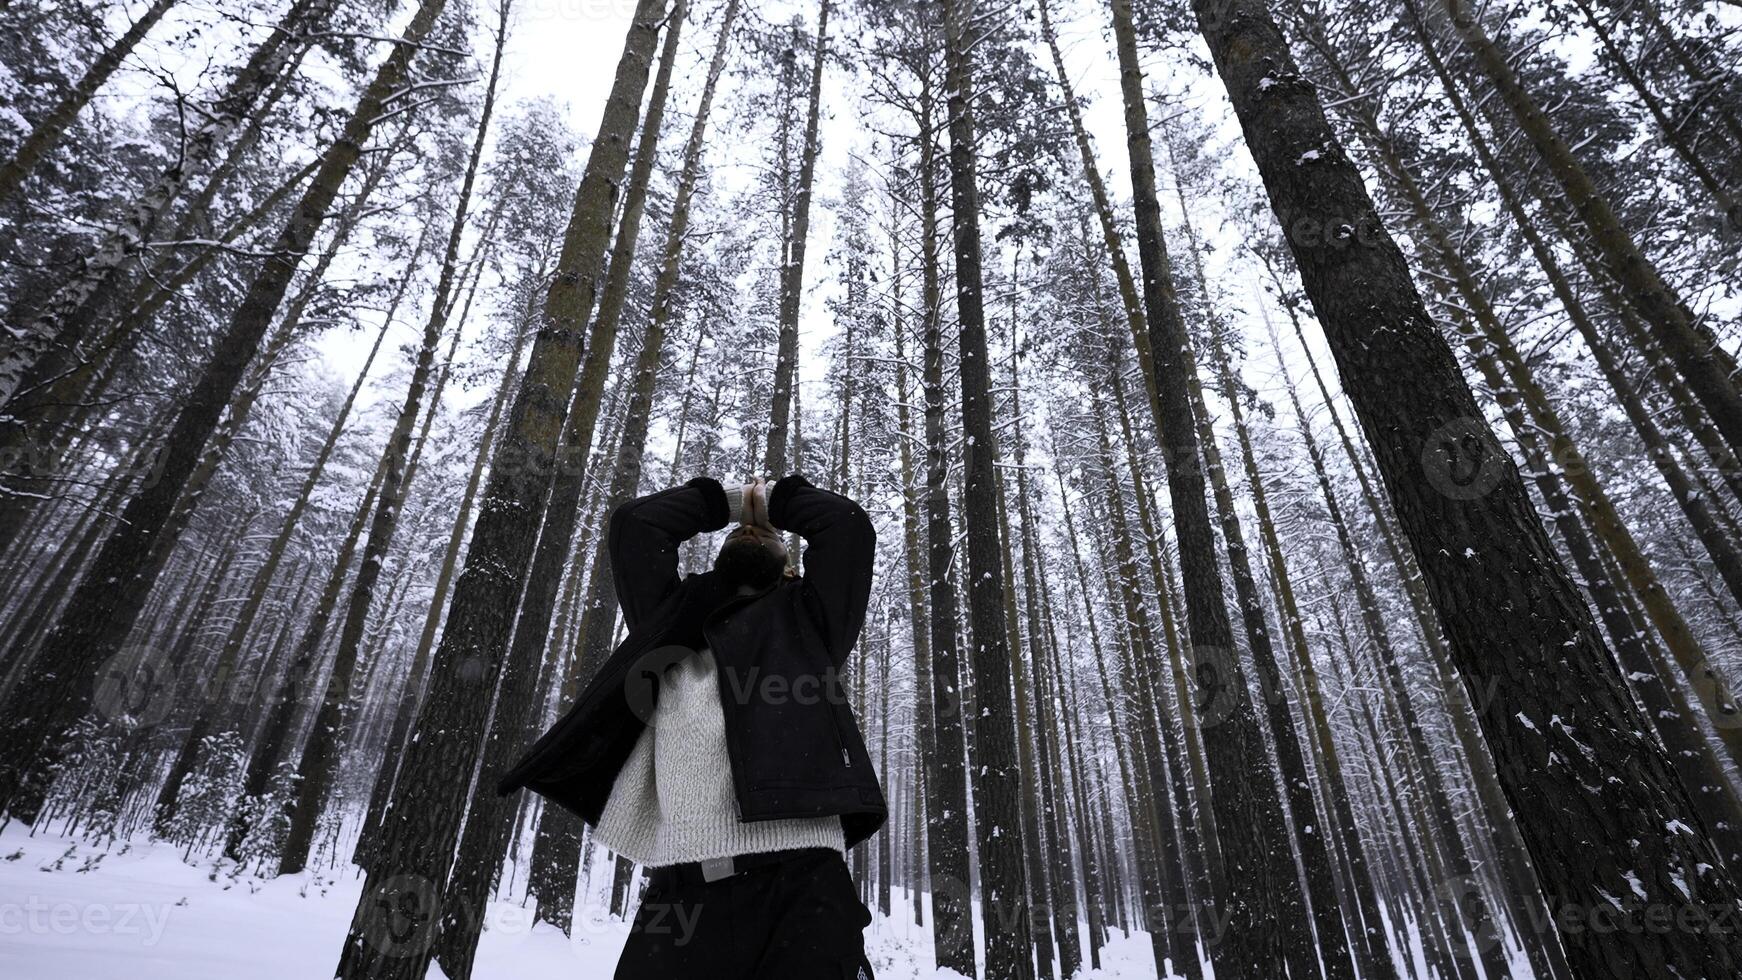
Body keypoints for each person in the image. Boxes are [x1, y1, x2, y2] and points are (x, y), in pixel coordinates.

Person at [497, 474, 884, 980]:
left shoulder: (811, 620)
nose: (749, 533)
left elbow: (846, 528)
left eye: (764, 535)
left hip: (803, 880)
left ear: (791, 567)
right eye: (739, 533)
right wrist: (728, 504)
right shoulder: (670, 616)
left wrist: (768, 504)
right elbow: (637, 526)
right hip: (680, 890)